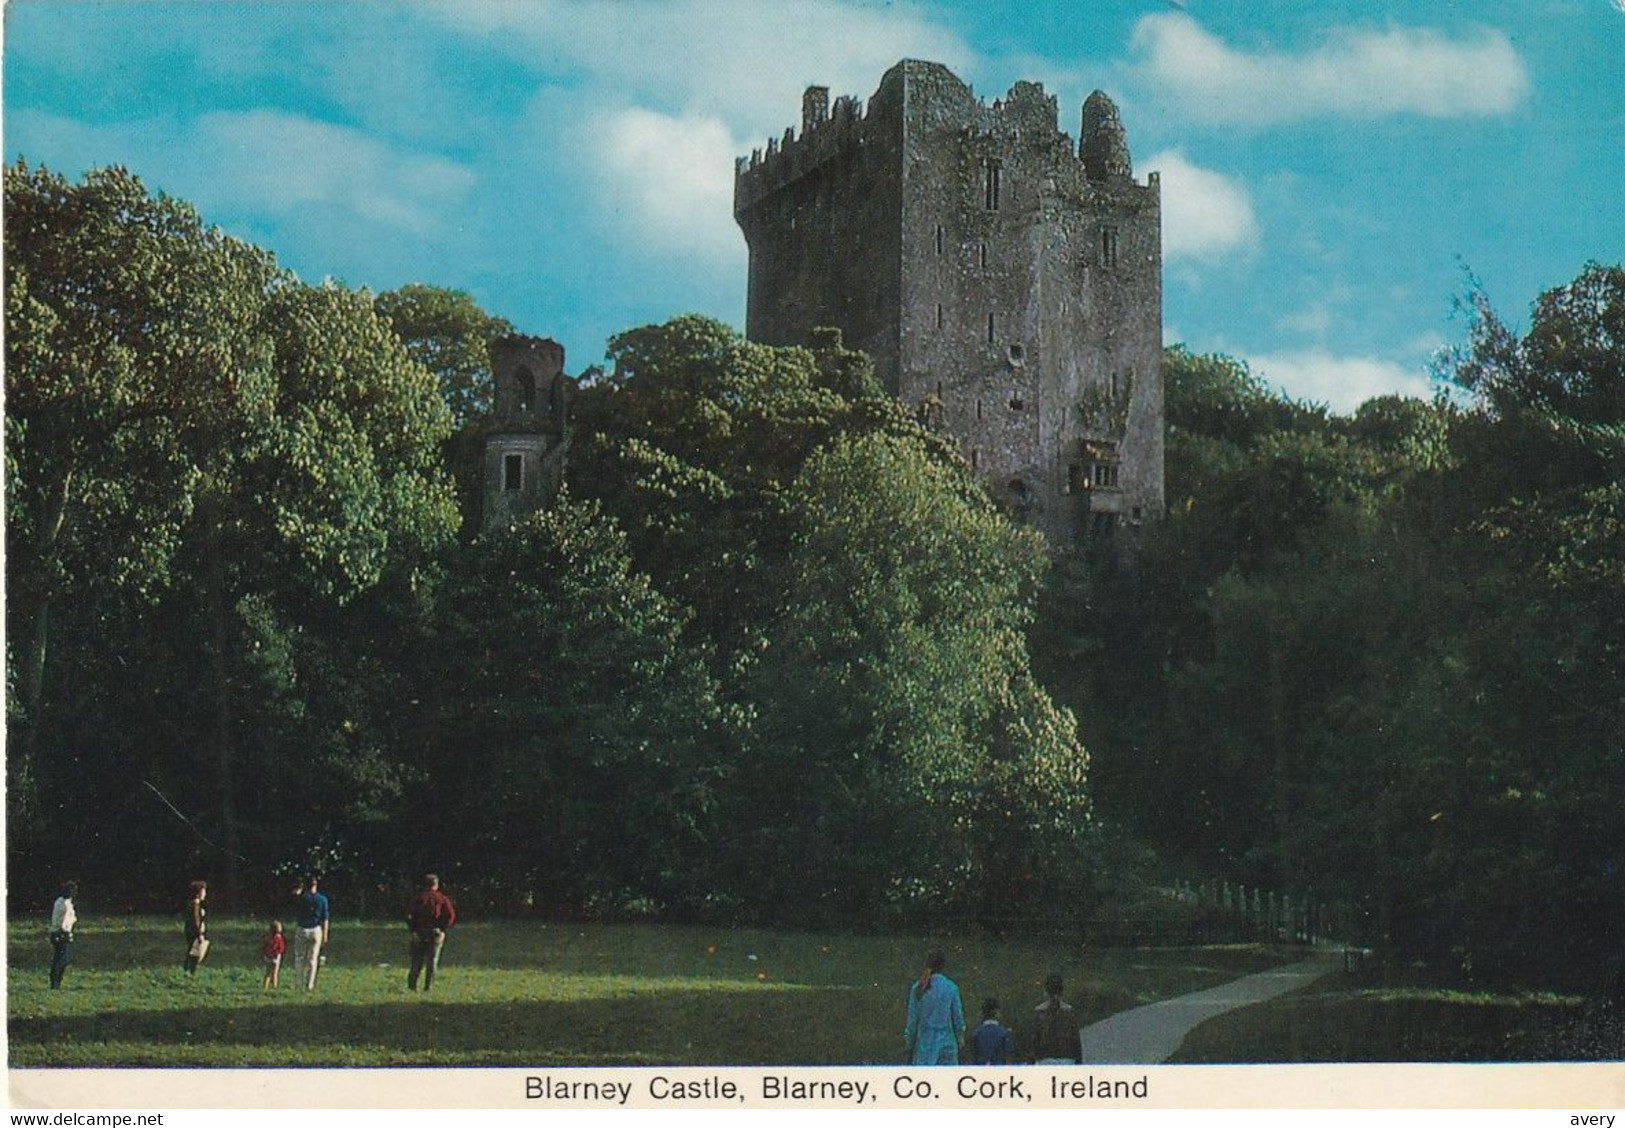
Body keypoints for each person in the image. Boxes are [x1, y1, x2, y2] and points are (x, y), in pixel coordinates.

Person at [903, 949, 965, 1064]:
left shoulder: (919, 988)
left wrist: (909, 1042)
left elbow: (913, 1019)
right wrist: (960, 1038)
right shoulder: (951, 987)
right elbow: (958, 1017)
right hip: (947, 1042)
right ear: (943, 965)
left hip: (925, 1043)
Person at [405, 873, 457, 991]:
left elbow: (408, 915)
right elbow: (450, 915)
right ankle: (428, 987)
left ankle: (412, 986)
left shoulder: (418, 898)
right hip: (435, 933)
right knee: (432, 961)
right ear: (436, 884)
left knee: (416, 962)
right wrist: (442, 929)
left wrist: (413, 930)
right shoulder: (442, 898)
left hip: (419, 932)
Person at [1031, 973, 1083, 1063]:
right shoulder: (1069, 1012)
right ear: (1062, 991)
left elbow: (1034, 1041)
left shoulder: (1039, 1013)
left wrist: (1031, 1062)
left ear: (1045, 992)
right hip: (1066, 1059)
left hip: (1045, 1060)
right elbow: (1076, 1041)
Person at [291, 876, 330, 991]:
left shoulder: (302, 898)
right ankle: (310, 985)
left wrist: (299, 890)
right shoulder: (322, 899)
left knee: (299, 958)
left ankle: (299, 984)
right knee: (312, 959)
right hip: (316, 929)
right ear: (316, 885)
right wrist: (325, 934)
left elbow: (293, 897)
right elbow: (325, 919)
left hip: (302, 928)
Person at [48, 881, 78, 989]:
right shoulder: (65, 904)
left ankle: (56, 982)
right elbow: (65, 922)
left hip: (57, 932)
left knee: (60, 958)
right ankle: (55, 982)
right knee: (60, 959)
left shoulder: (60, 901)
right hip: (61, 933)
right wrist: (66, 933)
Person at [970, 996, 1015, 1064]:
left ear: (982, 1013)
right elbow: (1008, 1056)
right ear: (997, 1013)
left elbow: (973, 1056)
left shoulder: (977, 1033)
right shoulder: (1004, 1033)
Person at [183, 880, 208, 974]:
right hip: (193, 932)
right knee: (195, 952)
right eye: (203, 891)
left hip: (191, 931)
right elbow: (195, 920)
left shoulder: (195, 904)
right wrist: (199, 934)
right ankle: (189, 970)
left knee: (192, 950)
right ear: (198, 893)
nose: (205, 894)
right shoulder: (195, 904)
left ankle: (188, 970)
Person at [262, 920, 286, 989]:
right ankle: (274, 986)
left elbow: (264, 947)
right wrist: (278, 953)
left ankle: (265, 986)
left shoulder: (267, 938)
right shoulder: (279, 938)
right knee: (275, 973)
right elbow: (281, 948)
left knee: (267, 973)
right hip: (276, 957)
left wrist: (266, 953)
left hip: (268, 957)